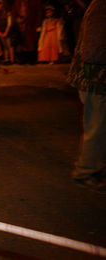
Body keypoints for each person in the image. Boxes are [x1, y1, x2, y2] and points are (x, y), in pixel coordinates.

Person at [67, 0, 106, 193]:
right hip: (95, 79)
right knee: (97, 126)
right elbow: (92, 51)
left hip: (96, 77)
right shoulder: (101, 7)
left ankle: (93, 168)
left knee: (98, 125)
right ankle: (86, 172)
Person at [0, 0, 15, 65]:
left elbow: (9, 24)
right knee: (4, 46)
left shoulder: (7, 13)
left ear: (1, 5)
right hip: (0, 32)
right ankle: (6, 59)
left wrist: (6, 32)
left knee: (9, 45)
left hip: (8, 31)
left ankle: (12, 60)